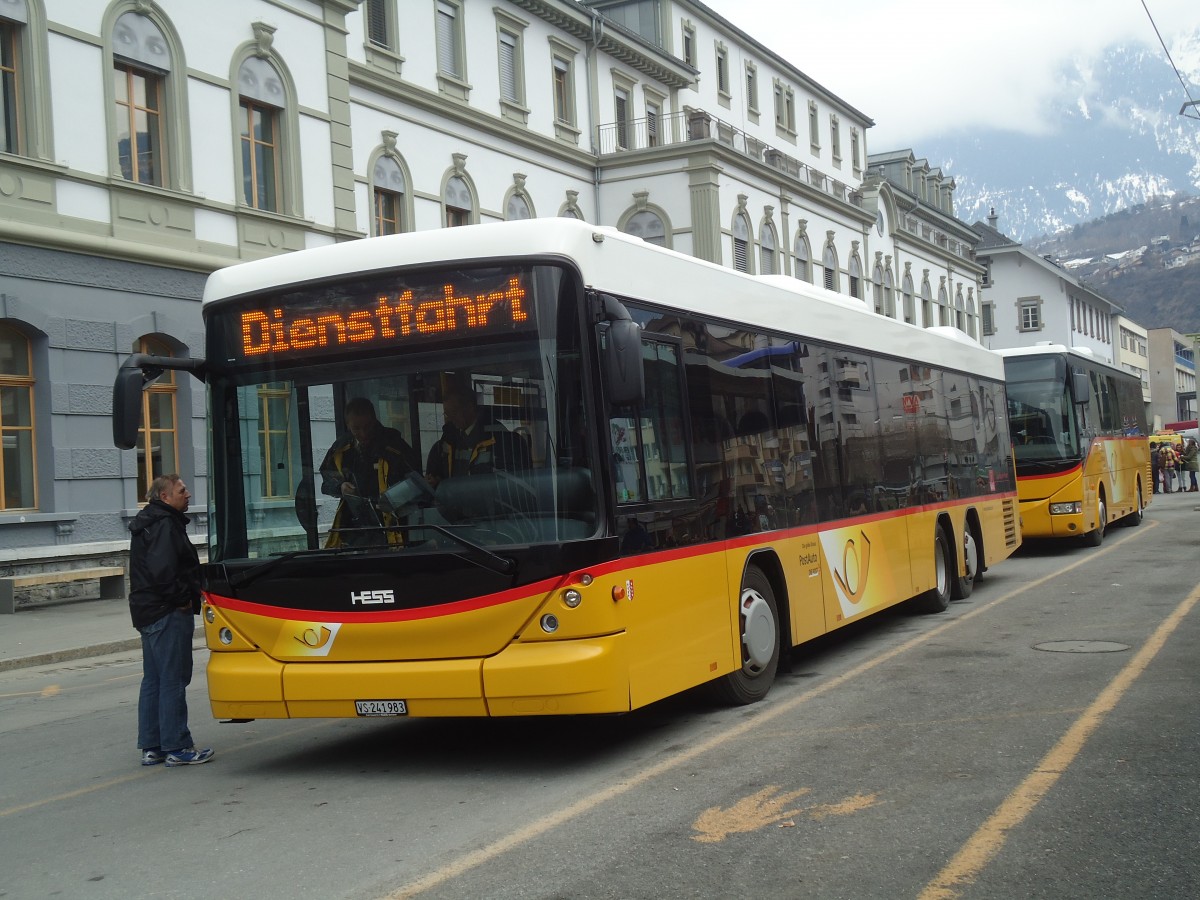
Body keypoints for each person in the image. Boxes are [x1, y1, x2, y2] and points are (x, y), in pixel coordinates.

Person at [128, 474, 213, 768]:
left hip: (146, 610)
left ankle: (153, 746)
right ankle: (177, 746)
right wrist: (182, 599)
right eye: (182, 490)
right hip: (167, 611)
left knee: (153, 679)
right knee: (173, 679)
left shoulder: (148, 521)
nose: (188, 494)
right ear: (165, 497)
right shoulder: (165, 524)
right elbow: (164, 571)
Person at [320, 397, 421, 545]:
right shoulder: (340, 449)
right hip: (355, 527)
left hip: (394, 525)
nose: (364, 433)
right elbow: (327, 480)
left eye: (368, 427)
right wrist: (340, 486)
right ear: (348, 425)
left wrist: (394, 499)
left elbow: (416, 481)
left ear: (374, 420)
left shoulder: (394, 444)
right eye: (356, 428)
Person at [425, 380, 531, 486]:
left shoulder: (502, 440)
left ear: (470, 408)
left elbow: (509, 483)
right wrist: (437, 482)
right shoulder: (446, 442)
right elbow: (439, 476)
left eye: (454, 412)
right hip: (453, 501)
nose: (450, 418)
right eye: (447, 413)